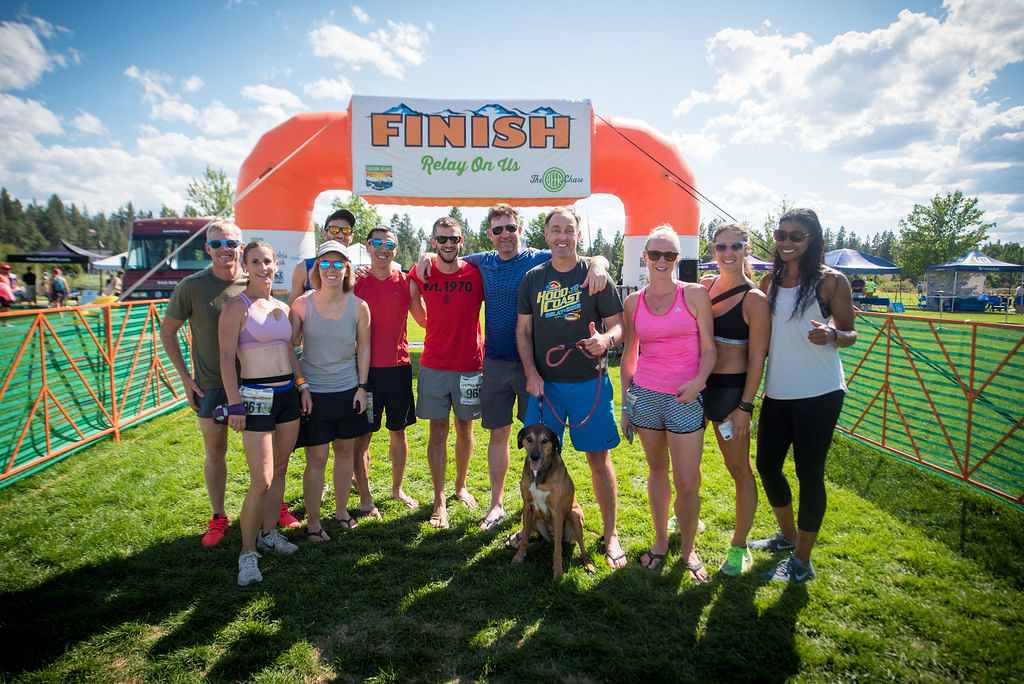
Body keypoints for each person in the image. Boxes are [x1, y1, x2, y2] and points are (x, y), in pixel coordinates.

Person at [416, 203, 608, 531]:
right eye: (497, 230)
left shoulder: (538, 258)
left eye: (510, 228)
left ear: (520, 230)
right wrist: (424, 255)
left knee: (537, 439)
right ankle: (496, 504)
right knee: (499, 435)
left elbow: (583, 258)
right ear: (489, 235)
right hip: (494, 363)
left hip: (534, 366)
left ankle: (533, 511)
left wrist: (601, 263)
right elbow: (448, 257)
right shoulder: (482, 261)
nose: (505, 235)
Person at [516, 206, 627, 569]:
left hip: (588, 385)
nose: (562, 236)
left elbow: (618, 327)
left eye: (569, 230)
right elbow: (524, 331)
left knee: (598, 460)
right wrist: (531, 372)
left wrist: (606, 342)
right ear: (546, 235)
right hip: (545, 387)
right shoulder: (533, 278)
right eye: (556, 230)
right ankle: (531, 526)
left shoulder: (596, 276)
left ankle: (610, 536)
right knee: (534, 459)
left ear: (578, 235)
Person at [751, 208, 857, 583]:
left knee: (809, 473)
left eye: (796, 236)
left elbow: (850, 332)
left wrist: (831, 335)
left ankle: (802, 561)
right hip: (778, 392)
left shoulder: (831, 282)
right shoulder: (770, 281)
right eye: (781, 235)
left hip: (820, 391)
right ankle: (787, 537)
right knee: (766, 465)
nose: (786, 243)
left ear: (813, 240)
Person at [160, 221, 267, 547]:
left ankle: (273, 507)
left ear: (241, 246)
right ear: (207, 248)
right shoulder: (192, 286)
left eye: (232, 244)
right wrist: (185, 377)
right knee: (215, 451)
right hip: (210, 384)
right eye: (218, 244)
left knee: (264, 454)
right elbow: (168, 332)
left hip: (255, 382)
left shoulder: (254, 282)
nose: (225, 250)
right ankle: (219, 516)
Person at [621, 226, 716, 579]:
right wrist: (626, 405)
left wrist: (698, 383)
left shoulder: (694, 295)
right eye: (656, 254)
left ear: (678, 258)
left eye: (670, 255)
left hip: (685, 398)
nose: (662, 261)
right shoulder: (633, 302)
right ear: (644, 256)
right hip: (645, 398)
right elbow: (629, 356)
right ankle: (661, 542)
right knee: (657, 471)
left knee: (688, 481)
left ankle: (689, 551)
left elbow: (710, 349)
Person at [219, 240, 311, 586]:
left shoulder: (281, 306)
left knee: (282, 468)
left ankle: (269, 534)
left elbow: (288, 349)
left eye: (268, 261)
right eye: (255, 262)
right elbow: (227, 358)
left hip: (287, 393)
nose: (262, 267)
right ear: (246, 266)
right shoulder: (236, 307)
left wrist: (302, 386)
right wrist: (234, 403)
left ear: (276, 265)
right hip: (254, 397)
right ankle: (246, 553)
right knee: (263, 479)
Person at [699, 222, 770, 576]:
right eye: (721, 247)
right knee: (686, 465)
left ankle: (739, 546)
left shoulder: (754, 299)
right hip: (697, 388)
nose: (728, 253)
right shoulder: (704, 287)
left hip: (730, 395)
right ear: (712, 251)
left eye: (735, 246)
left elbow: (758, 358)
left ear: (746, 250)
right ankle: (689, 520)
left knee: (739, 470)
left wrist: (745, 407)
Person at [291, 241, 372, 540]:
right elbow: (288, 348)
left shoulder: (359, 306)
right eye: (325, 263)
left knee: (344, 452)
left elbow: (364, 350)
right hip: (314, 394)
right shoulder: (301, 304)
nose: (332, 270)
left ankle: (341, 512)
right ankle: (313, 522)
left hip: (348, 390)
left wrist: (362, 387)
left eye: (339, 264)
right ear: (317, 268)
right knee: (317, 457)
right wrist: (302, 387)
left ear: (347, 268)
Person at [410, 217, 485, 529]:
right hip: (434, 364)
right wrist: (433, 329)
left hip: (470, 363)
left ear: (462, 242)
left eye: (453, 239)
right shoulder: (422, 270)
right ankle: (439, 497)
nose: (448, 244)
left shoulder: (476, 273)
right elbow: (413, 301)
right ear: (433, 242)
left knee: (465, 429)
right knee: (438, 431)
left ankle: (461, 486)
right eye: (442, 239)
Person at [352, 227, 426, 513]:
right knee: (363, 436)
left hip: (398, 369)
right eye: (378, 243)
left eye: (390, 245)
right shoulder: (354, 282)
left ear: (396, 249)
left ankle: (397, 490)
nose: (383, 249)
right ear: (369, 246)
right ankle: (365, 497)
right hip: (363, 374)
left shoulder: (407, 282)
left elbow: (423, 319)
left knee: (399, 432)